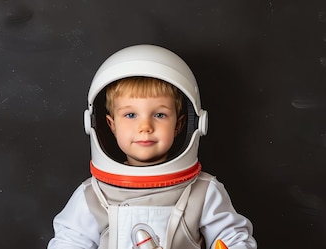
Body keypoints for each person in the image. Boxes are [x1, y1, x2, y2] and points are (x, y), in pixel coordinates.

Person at [47, 44, 257, 249]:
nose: (145, 127)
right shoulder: (94, 195)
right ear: (111, 125)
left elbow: (233, 237)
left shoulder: (202, 192)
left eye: (159, 115)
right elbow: (69, 241)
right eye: (131, 115)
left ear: (180, 124)